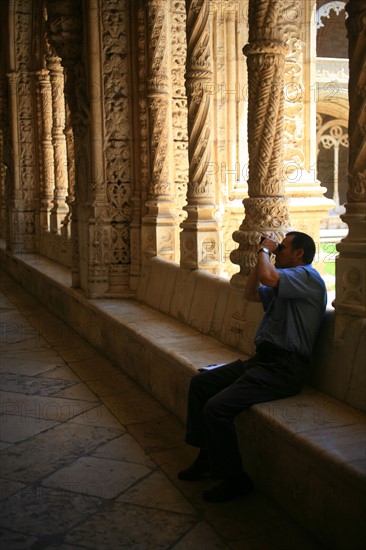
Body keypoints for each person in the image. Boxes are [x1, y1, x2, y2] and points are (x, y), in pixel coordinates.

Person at [178, 231, 327, 503]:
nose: (277, 251)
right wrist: (263, 252)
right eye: (276, 248)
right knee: (201, 384)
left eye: (282, 248)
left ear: (299, 254)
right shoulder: (286, 284)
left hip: (284, 369)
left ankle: (236, 479)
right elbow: (250, 293)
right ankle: (207, 458)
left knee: (217, 408)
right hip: (263, 362)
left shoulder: (307, 277)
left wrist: (265, 252)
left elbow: (268, 276)